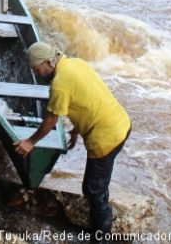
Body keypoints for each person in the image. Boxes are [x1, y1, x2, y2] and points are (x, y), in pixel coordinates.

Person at [14, 42, 131, 244]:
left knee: (93, 189)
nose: (36, 73)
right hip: (121, 124)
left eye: (36, 68)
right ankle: (101, 226)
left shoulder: (59, 83)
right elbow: (87, 99)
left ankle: (101, 238)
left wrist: (30, 142)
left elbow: (51, 120)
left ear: (48, 61)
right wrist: (76, 130)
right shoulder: (75, 64)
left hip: (106, 138)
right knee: (97, 186)